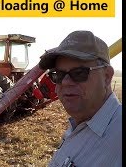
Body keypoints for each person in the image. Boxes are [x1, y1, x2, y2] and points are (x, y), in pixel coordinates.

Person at [38, 30, 122, 167]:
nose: (65, 82)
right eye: (58, 75)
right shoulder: (80, 123)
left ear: (106, 76)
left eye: (79, 73)